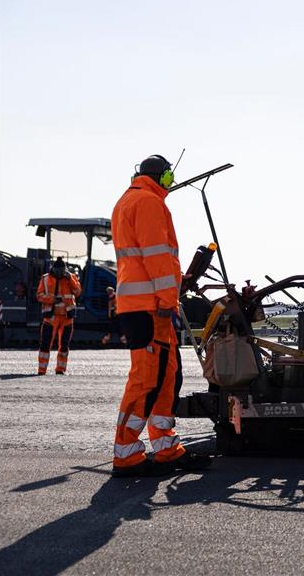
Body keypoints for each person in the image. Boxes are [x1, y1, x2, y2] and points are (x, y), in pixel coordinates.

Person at [110, 154, 210, 477]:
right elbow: (157, 258)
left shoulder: (128, 201)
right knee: (147, 378)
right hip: (150, 306)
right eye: (168, 176)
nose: (171, 182)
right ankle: (126, 453)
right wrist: (169, 298)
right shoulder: (149, 203)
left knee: (168, 375)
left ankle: (165, 447)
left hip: (146, 305)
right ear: (158, 176)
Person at [35, 257, 81, 375]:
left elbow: (77, 292)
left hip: (67, 317)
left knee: (64, 345)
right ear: (53, 269)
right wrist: (52, 299)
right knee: (45, 344)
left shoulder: (71, 278)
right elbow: (39, 296)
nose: (61, 273)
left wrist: (70, 278)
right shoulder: (45, 278)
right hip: (50, 317)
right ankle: (42, 370)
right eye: (59, 270)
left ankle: (60, 370)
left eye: (62, 270)